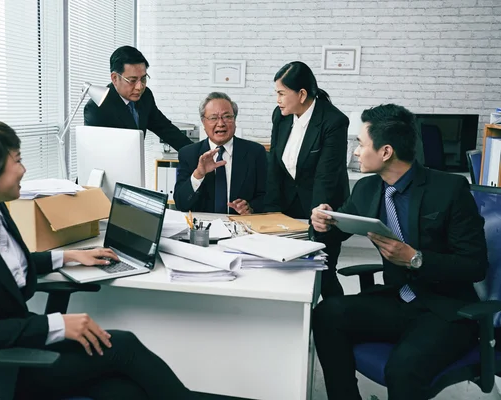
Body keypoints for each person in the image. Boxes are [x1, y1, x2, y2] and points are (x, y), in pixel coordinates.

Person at [0, 117, 195, 400]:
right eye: (16, 160)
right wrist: (56, 324)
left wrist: (69, 256)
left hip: (21, 341)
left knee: (125, 390)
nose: (24, 169)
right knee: (124, 347)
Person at [310, 104, 488, 400]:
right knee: (326, 313)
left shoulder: (449, 189)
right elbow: (339, 225)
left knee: (402, 369)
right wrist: (322, 222)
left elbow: (475, 265)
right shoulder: (367, 189)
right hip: (399, 300)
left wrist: (416, 259)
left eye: (360, 143)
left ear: (386, 151)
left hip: (446, 310)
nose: (355, 151)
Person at [264, 61, 350, 297]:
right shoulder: (280, 116)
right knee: (284, 270)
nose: (277, 100)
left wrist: (317, 223)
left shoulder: (333, 121)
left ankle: (335, 321)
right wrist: (271, 211)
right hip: (288, 205)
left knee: (322, 271)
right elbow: (274, 163)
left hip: (322, 206)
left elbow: (326, 176)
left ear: (301, 94)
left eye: (281, 93)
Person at [83, 45, 192, 151]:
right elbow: (97, 152)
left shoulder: (145, 96)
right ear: (115, 78)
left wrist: (197, 154)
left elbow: (166, 129)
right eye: (132, 80)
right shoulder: (97, 108)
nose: (139, 87)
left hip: (136, 164)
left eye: (143, 79)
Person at [173, 92, 267, 215]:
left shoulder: (255, 152)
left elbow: (268, 197)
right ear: (203, 122)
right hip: (203, 229)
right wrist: (198, 174)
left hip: (241, 227)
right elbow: (181, 203)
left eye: (227, 117)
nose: (221, 123)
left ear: (235, 120)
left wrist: (251, 208)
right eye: (213, 118)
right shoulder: (188, 154)